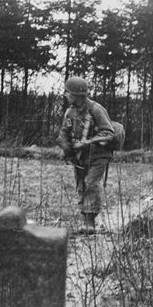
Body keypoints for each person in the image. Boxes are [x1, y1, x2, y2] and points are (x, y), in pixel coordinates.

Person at [57, 77, 114, 234]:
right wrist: (66, 148)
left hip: (98, 155)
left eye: (68, 93)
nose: (66, 96)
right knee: (81, 185)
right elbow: (64, 132)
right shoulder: (70, 112)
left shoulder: (96, 109)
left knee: (91, 183)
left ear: (76, 95)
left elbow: (108, 133)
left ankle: (89, 222)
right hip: (80, 156)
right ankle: (86, 220)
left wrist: (88, 142)